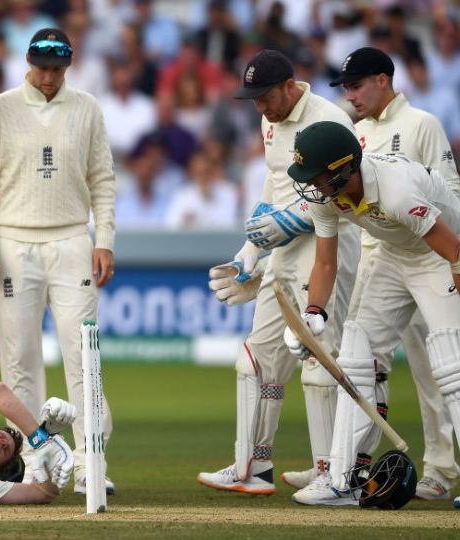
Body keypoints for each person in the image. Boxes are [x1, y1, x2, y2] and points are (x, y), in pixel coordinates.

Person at [284, 46, 460, 500]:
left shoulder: (399, 189)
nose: (312, 186)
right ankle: (341, 479)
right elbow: (325, 261)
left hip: (438, 253)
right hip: (391, 252)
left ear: (342, 171)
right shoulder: (329, 194)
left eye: (318, 176)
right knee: (358, 353)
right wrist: (314, 316)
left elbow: (452, 250)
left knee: (450, 361)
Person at [197, 49, 360, 495]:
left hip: (328, 247)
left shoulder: (328, 119)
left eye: (266, 96)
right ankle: (253, 467)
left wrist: (286, 223)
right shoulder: (270, 120)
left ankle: (333, 472)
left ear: (290, 85)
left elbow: (342, 189)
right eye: (253, 99)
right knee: (256, 359)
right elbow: (275, 184)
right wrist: (251, 249)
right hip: (284, 254)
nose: (260, 108)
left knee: (319, 361)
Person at [0, 28, 116, 494]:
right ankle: (36, 458)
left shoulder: (87, 108)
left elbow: (103, 179)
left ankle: (92, 462)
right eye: (41, 68)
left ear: (68, 66)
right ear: (28, 62)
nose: (49, 78)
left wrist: (105, 239)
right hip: (13, 242)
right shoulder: (0, 108)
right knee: (19, 359)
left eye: (57, 69)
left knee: (83, 353)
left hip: (73, 239)